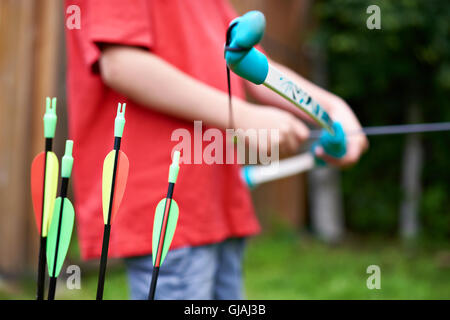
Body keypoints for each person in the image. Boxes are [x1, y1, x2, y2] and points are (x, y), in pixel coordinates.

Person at [65, 0, 368, 299]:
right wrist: (243, 116)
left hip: (216, 200)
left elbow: (247, 62)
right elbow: (122, 64)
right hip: (168, 208)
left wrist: (331, 108)